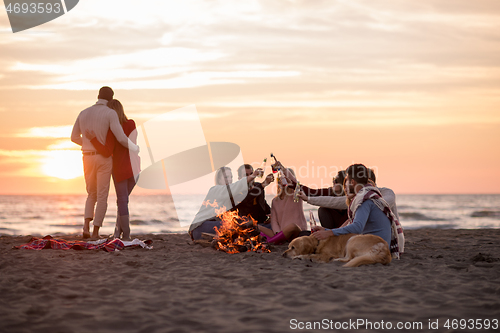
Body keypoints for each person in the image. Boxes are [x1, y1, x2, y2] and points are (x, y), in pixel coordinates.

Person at [71, 87, 139, 239]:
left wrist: (88, 143)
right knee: (103, 196)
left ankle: (86, 227)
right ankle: (96, 233)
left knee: (91, 194)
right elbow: (121, 138)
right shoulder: (110, 113)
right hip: (104, 158)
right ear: (111, 98)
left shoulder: (83, 112)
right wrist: (135, 148)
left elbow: (74, 137)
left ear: (98, 96)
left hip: (87, 156)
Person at [311, 164, 404, 259]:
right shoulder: (372, 195)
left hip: (374, 249)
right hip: (381, 248)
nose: (345, 184)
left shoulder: (364, 200)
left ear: (352, 182)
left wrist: (329, 232)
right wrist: (325, 230)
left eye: (346, 180)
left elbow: (357, 227)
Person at [189, 166, 262, 240]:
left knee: (241, 224)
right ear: (219, 180)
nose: (229, 179)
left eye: (231, 177)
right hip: (200, 228)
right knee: (232, 225)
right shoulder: (215, 190)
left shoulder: (229, 196)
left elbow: (247, 198)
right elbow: (237, 186)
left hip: (216, 229)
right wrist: (253, 175)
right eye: (226, 177)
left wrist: (263, 185)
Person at [258, 161, 304, 244]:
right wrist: (277, 233)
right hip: (282, 234)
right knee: (256, 226)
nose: (283, 180)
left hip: (297, 232)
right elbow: (274, 221)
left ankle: (272, 241)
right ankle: (277, 238)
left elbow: (295, 183)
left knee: (292, 226)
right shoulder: (275, 201)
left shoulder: (296, 195)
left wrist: (282, 168)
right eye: (281, 178)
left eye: (285, 178)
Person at [235, 164, 273, 228]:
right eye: (246, 175)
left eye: (252, 174)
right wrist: (263, 184)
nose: (251, 177)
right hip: (246, 226)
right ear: (239, 178)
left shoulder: (258, 186)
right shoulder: (236, 191)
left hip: (262, 223)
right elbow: (247, 198)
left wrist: (272, 216)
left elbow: (264, 204)